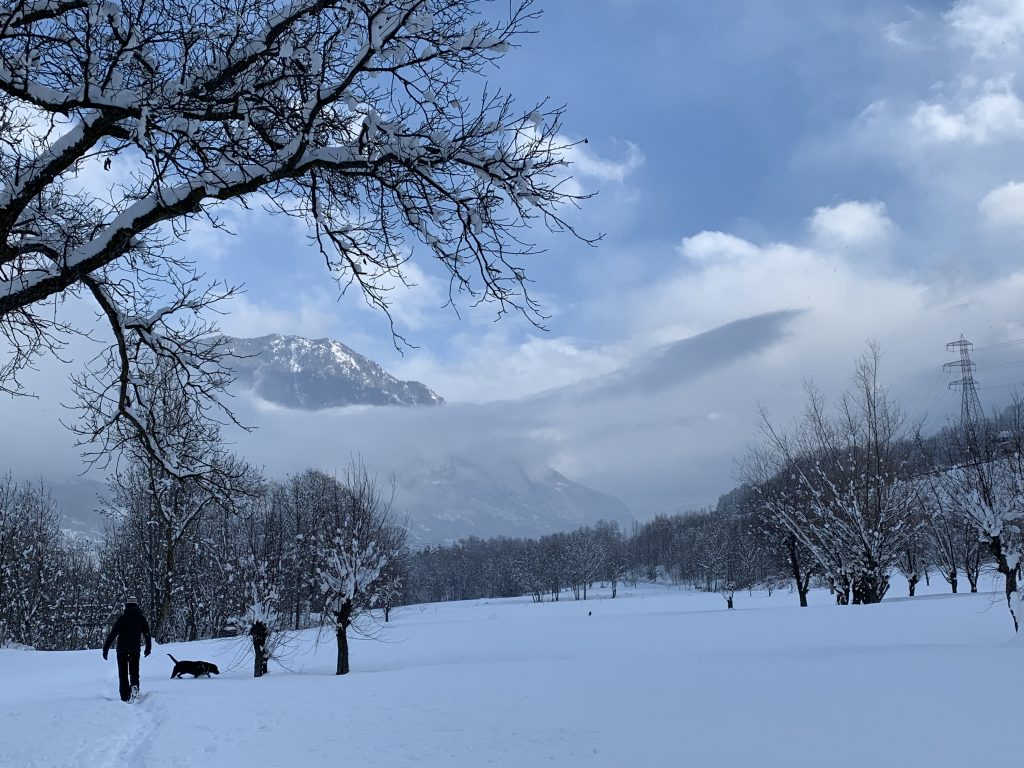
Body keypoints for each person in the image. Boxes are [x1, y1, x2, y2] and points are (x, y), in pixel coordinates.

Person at [102, 596, 152, 702]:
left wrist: (106, 648)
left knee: (123, 674)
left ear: (127, 605)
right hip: (134, 650)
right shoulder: (141, 618)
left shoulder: (122, 618)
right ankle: (134, 688)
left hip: (122, 650)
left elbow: (113, 634)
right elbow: (147, 634)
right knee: (134, 672)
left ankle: (124, 696)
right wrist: (148, 648)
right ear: (136, 605)